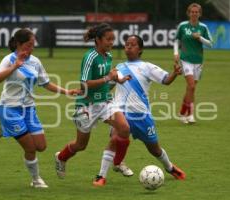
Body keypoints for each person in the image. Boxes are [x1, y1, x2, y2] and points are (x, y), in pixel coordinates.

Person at [0, 28, 80, 188]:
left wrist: (67, 91)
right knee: (30, 148)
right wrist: (14, 67)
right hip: (9, 109)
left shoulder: (35, 62)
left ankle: (6, 129)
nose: (31, 49)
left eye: (33, 45)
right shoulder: (9, 59)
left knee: (41, 146)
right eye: (28, 45)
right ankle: (36, 180)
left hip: (29, 109)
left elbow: (45, 83)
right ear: (18, 44)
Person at [95, 35, 186, 185]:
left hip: (142, 115)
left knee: (155, 149)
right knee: (114, 140)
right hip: (120, 113)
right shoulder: (117, 68)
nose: (128, 47)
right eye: (126, 45)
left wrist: (174, 74)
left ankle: (170, 168)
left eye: (132, 45)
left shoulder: (147, 67)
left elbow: (166, 80)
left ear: (140, 49)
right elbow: (108, 87)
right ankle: (101, 176)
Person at [54, 23, 131, 186]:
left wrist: (119, 80)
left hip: (105, 102)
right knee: (81, 145)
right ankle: (61, 157)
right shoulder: (90, 57)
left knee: (124, 128)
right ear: (98, 40)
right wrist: (108, 78)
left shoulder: (108, 57)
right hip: (86, 106)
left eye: (113, 39)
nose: (111, 43)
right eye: (108, 39)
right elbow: (84, 84)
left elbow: (107, 80)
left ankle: (117, 164)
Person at [174, 2, 213, 124]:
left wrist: (200, 38)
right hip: (186, 60)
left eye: (197, 12)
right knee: (191, 86)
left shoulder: (203, 27)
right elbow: (176, 40)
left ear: (200, 14)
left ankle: (181, 113)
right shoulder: (183, 26)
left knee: (191, 89)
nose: (194, 14)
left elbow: (210, 44)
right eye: (192, 12)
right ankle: (190, 115)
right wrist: (176, 53)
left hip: (198, 61)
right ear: (188, 13)